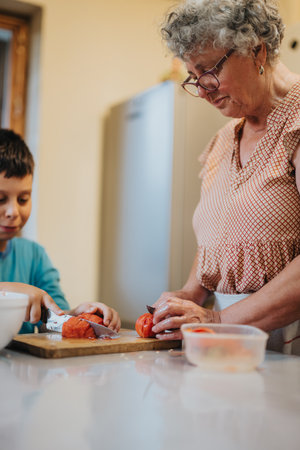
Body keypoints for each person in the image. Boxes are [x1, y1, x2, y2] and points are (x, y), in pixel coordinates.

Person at [151, 0, 300, 355]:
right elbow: (217, 236)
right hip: (233, 343)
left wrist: (217, 322)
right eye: (193, 77)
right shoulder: (224, 139)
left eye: (208, 71)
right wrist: (191, 294)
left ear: (257, 51)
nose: (201, 90)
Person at [0, 129, 121, 333]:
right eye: (1, 199)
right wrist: (6, 291)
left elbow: (55, 318)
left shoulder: (35, 256)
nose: (13, 211)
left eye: (23, 199)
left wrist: (78, 315)